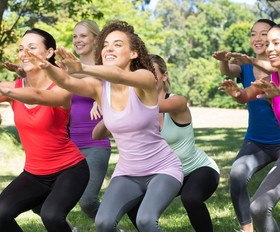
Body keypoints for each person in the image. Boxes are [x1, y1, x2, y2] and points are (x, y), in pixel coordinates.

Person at [19, 20, 184, 232]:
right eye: (106, 45)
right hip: (127, 172)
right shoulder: (100, 87)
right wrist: (45, 65)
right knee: (103, 223)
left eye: (117, 44)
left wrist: (84, 67)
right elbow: (68, 82)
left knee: (145, 220)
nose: (109, 49)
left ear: (133, 53)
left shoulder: (145, 78)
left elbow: (121, 75)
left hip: (163, 168)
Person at [0, 28, 90, 232]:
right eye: (21, 48)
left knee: (51, 216)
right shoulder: (14, 86)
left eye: (31, 48)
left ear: (49, 53)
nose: (24, 53)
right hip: (35, 173)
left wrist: (7, 90)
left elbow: (38, 95)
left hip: (70, 169)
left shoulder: (61, 86)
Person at [112, 54, 219, 232]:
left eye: (152, 72)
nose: (147, 77)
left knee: (191, 197)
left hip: (196, 169)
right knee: (133, 203)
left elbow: (150, 107)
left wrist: (118, 103)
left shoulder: (177, 101)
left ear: (165, 75)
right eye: (142, 72)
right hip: (164, 174)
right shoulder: (135, 108)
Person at [213, 18, 280, 232]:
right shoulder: (255, 72)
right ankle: (247, 228)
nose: (264, 43)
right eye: (255, 34)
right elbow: (246, 94)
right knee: (244, 184)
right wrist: (236, 93)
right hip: (258, 141)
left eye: (272, 41)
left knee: (261, 206)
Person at [69, 20, 111, 220]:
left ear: (96, 39)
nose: (78, 40)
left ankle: (110, 226)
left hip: (95, 142)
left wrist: (102, 96)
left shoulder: (105, 67)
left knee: (87, 201)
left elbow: (119, 91)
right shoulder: (67, 68)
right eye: (75, 36)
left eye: (83, 36)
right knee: (45, 198)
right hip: (68, 143)